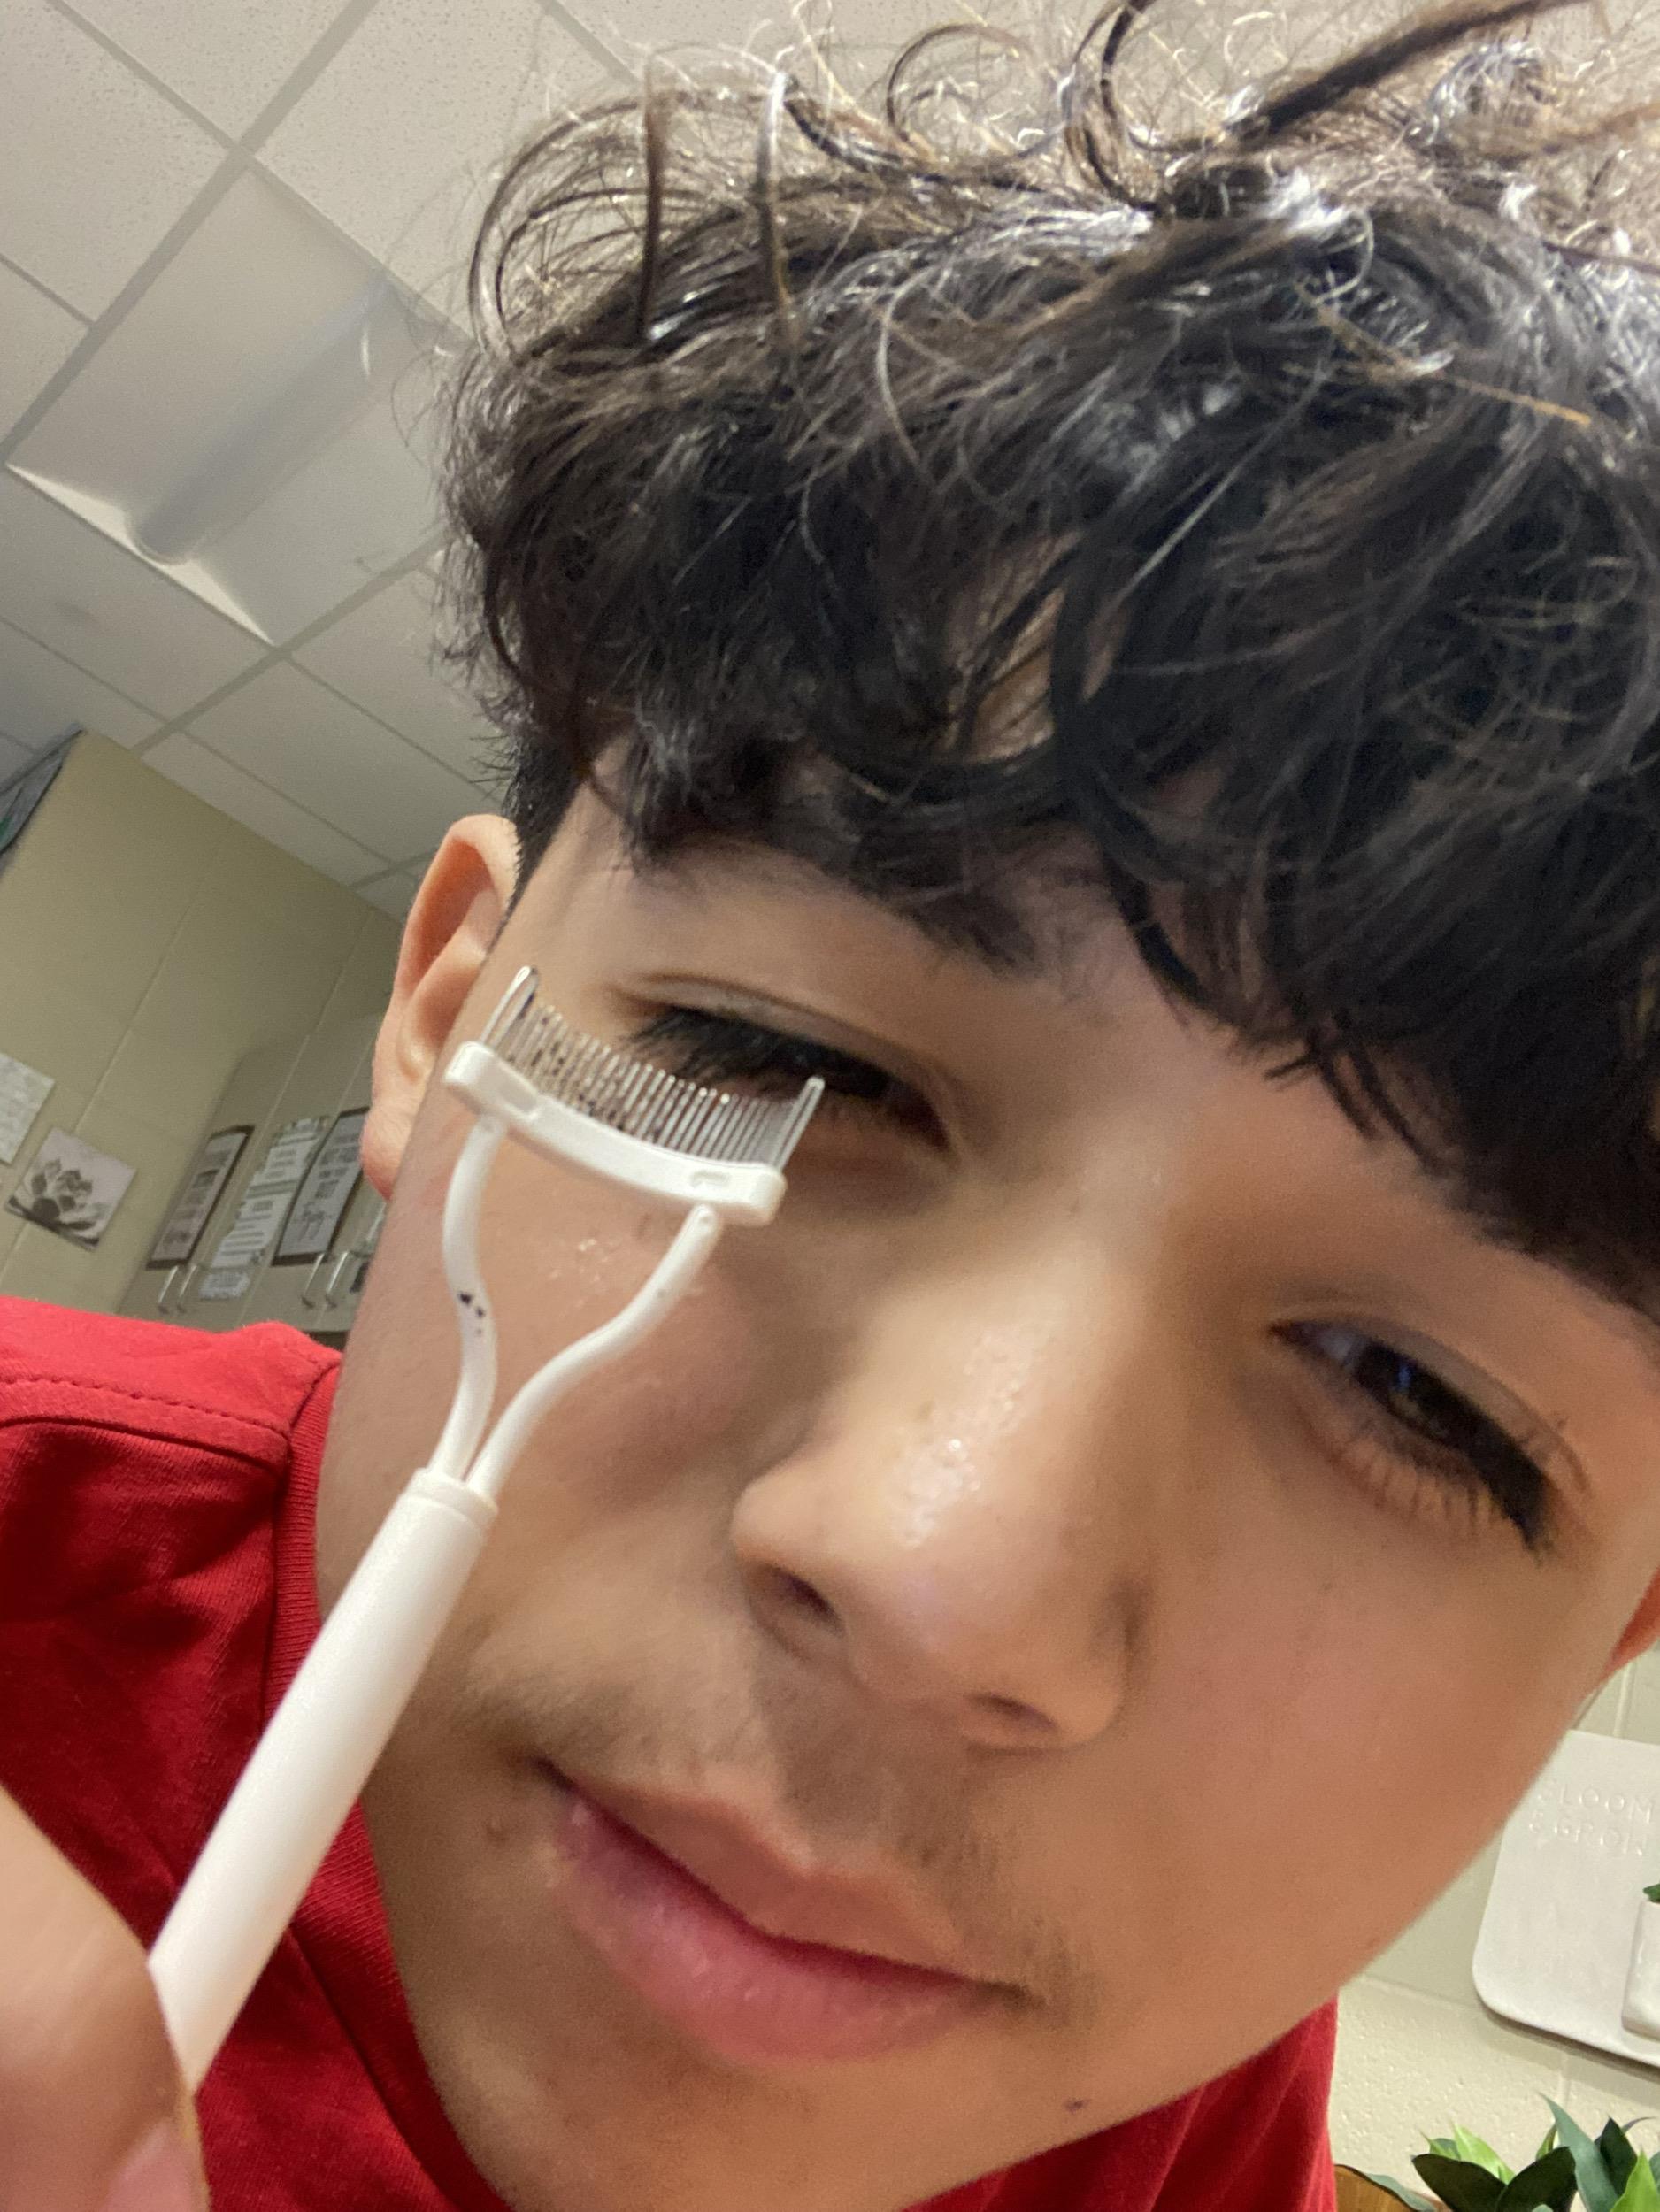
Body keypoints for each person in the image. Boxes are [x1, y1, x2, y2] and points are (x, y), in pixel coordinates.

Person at [8, 0, 1660, 2205]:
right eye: (790, 1060)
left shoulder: (1173, 2118)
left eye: (1410, 1387)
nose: (939, 1568)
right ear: (444, 1015)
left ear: (1625, 1617)